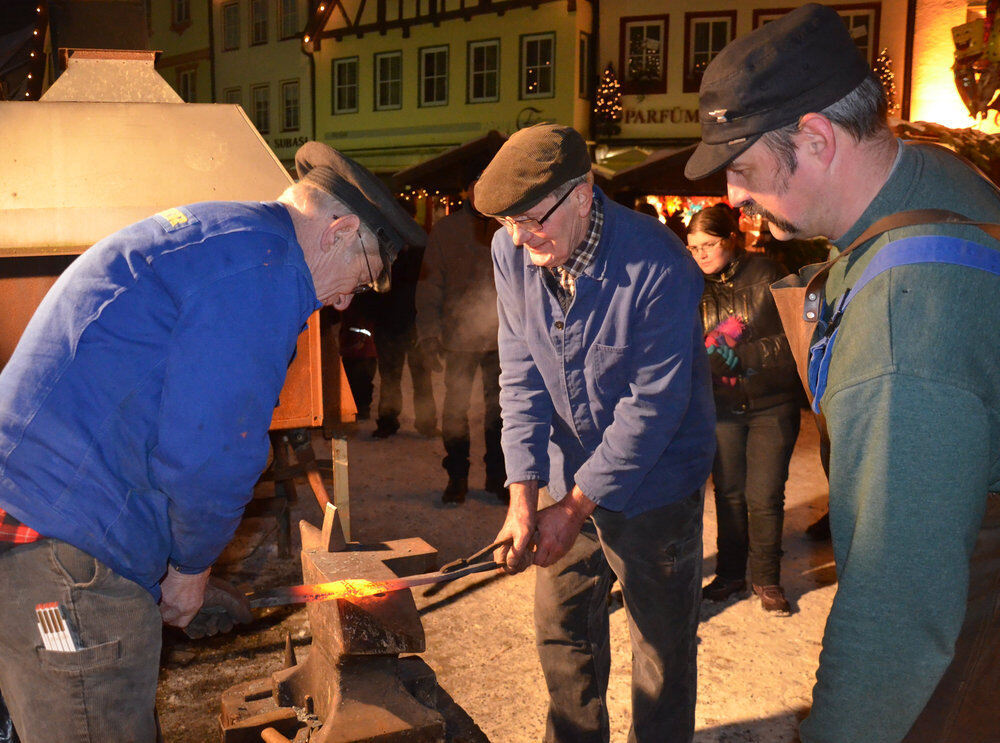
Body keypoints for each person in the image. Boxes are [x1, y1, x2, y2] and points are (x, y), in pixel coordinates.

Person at [0, 142, 425, 742]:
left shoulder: (227, 237)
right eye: (361, 278)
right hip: (64, 553)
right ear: (340, 231)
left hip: (33, 528)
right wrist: (190, 569)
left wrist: (168, 568)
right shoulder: (262, 274)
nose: (343, 302)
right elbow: (212, 453)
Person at [687, 4, 1000, 742]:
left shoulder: (899, 328)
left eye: (743, 167)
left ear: (817, 140)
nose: (732, 197)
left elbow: (895, 608)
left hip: (960, 655)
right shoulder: (931, 177)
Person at [478, 123, 715, 743]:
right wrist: (524, 497)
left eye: (531, 220)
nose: (520, 238)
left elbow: (653, 407)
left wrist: (574, 509)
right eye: (508, 223)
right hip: (567, 478)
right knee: (562, 634)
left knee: (660, 652)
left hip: (656, 484)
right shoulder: (511, 251)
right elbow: (521, 374)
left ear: (583, 194)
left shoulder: (659, 264)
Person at [688, 204, 801, 615]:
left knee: (764, 494)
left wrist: (745, 355)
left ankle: (767, 579)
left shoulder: (768, 274)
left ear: (731, 240)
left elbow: (797, 336)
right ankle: (731, 574)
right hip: (721, 408)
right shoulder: (691, 286)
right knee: (730, 493)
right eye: (693, 247)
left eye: (708, 245)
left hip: (772, 404)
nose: (700, 254)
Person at [416, 178, 507, 504]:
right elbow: (429, 285)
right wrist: (429, 334)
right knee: (455, 411)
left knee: (502, 413)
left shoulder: (509, 226)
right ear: (468, 190)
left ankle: (499, 477)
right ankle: (457, 476)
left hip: (503, 339)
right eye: (477, 185)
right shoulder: (447, 230)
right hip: (458, 338)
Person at [372, 199, 437, 439]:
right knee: (390, 377)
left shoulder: (421, 245)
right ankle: (388, 420)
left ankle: (426, 422)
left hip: (415, 322)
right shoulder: (383, 245)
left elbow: (430, 283)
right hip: (389, 321)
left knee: (421, 376)